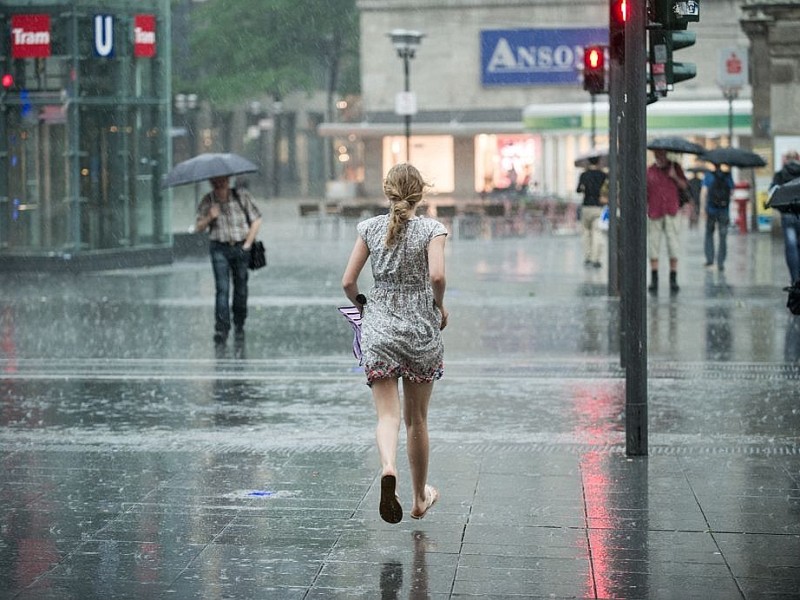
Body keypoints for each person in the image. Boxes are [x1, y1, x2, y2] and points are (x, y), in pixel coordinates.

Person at [341, 163, 448, 523]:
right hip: (420, 328)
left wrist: (365, 308)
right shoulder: (433, 230)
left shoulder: (369, 228)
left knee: (387, 416)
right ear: (421, 192)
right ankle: (419, 498)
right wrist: (440, 306)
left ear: (387, 191)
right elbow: (437, 275)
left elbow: (348, 283)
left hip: (380, 326)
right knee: (417, 420)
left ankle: (389, 468)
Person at [195, 175, 262, 344]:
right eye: (216, 181)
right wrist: (210, 216)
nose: (220, 184)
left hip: (240, 247)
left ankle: (239, 321)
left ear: (227, 180)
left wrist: (247, 244)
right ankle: (222, 328)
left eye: (223, 180)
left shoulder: (241, 196)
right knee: (222, 289)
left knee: (241, 288)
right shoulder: (208, 201)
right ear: (211, 182)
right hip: (219, 248)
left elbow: (257, 219)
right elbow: (198, 227)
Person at [646, 149, 689, 294]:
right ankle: (654, 278)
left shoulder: (675, 167)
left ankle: (673, 278)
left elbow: (684, 186)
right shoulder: (650, 171)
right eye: (657, 155)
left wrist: (675, 177)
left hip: (671, 210)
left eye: (661, 154)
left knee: (673, 244)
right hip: (654, 211)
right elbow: (645, 192)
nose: (659, 157)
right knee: (653, 245)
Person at [770, 150, 800, 285]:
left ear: (786, 159)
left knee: (791, 246)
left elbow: (773, 193)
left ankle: (795, 279)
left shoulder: (780, 174)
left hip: (787, 215)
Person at [700, 164, 734, 271]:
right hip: (724, 210)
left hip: (711, 210)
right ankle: (720, 262)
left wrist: (702, 208)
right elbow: (732, 192)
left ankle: (710, 260)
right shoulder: (728, 176)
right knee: (723, 236)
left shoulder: (708, 175)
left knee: (709, 234)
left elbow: (704, 192)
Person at [576, 156, 608, 268]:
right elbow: (606, 190)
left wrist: (585, 187)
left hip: (586, 206)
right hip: (598, 207)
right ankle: (596, 259)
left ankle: (588, 257)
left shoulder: (584, 175)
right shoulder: (603, 175)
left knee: (586, 233)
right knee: (597, 233)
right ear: (599, 161)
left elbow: (578, 190)